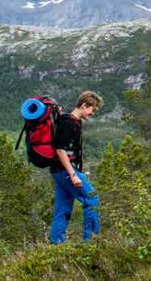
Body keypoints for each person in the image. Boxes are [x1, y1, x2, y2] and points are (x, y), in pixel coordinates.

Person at [49, 90, 103, 244]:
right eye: (92, 110)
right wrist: (73, 174)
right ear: (84, 105)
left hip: (58, 171)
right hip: (66, 171)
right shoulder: (68, 123)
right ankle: (91, 242)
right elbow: (60, 150)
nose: (92, 114)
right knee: (92, 198)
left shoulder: (71, 121)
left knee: (62, 210)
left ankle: (56, 245)